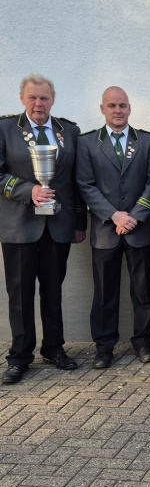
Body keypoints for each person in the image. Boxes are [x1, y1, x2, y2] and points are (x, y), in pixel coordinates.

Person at [0, 74, 86, 385]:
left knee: (53, 290)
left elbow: (77, 181)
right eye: (33, 97)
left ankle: (54, 348)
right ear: (22, 99)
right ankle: (20, 357)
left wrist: (79, 222)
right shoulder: (5, 129)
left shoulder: (69, 131)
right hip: (19, 226)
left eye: (44, 98)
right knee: (21, 294)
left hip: (58, 224)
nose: (38, 103)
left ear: (53, 100)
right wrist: (29, 191)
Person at [76, 86, 150, 369]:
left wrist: (134, 216)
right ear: (102, 109)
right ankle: (104, 348)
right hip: (105, 230)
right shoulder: (87, 142)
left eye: (122, 105)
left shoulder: (147, 141)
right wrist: (114, 215)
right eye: (112, 105)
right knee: (104, 293)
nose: (118, 110)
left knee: (143, 290)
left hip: (139, 229)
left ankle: (143, 342)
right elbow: (85, 185)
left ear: (129, 108)